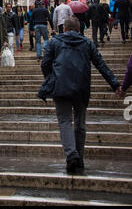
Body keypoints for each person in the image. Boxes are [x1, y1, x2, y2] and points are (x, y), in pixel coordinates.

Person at [38, 17, 120, 174]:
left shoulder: (55, 42)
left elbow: (45, 64)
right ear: (79, 29)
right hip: (81, 87)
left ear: (65, 29)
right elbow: (101, 64)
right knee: (80, 123)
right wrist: (115, 84)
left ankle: (71, 155)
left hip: (61, 86)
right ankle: (79, 157)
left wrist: (51, 78)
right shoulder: (87, 43)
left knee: (65, 121)